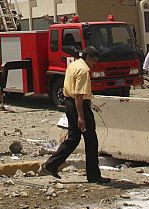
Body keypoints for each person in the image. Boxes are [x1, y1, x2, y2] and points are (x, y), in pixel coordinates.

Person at [42, 47, 109, 184]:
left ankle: (52, 164)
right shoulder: (83, 70)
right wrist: (81, 117)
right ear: (88, 57)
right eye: (94, 61)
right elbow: (79, 96)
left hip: (69, 104)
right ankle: (94, 175)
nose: (94, 64)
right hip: (79, 106)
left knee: (73, 138)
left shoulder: (73, 64)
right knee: (91, 140)